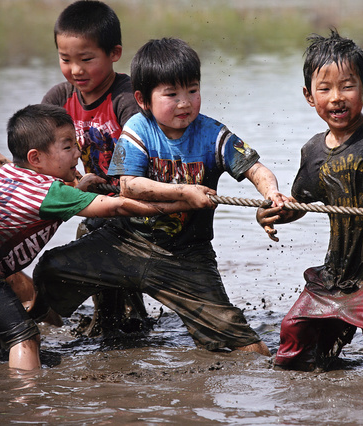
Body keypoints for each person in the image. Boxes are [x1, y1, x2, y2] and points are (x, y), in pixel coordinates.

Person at [33, 37, 287, 356]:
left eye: (192, 91)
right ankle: (36, 344)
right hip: (126, 241)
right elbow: (130, 185)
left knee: (242, 344)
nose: (184, 103)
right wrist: (184, 191)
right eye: (172, 94)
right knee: (50, 270)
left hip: (187, 256)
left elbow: (256, 169)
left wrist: (272, 194)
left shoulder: (212, 133)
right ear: (143, 99)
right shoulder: (138, 129)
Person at [0, 104, 213, 369]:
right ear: (35, 158)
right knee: (26, 337)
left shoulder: (6, 173)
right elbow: (119, 206)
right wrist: (183, 199)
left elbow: (36, 204)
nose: (78, 153)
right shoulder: (50, 193)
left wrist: (78, 189)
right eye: (67, 147)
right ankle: (28, 403)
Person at [258, 30, 363, 376]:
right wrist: (271, 213)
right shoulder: (313, 151)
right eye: (325, 88)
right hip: (338, 271)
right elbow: (297, 205)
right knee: (294, 333)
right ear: (308, 95)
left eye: (347, 86)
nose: (337, 98)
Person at [42, 0, 146, 336]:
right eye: (65, 59)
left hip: (134, 200)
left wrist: (104, 179)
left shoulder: (126, 97)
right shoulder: (60, 98)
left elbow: (137, 147)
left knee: (127, 300)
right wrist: (71, 179)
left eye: (87, 60)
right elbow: (42, 150)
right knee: (95, 257)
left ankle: (125, 325)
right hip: (96, 203)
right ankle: (109, 325)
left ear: (114, 53)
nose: (76, 70)